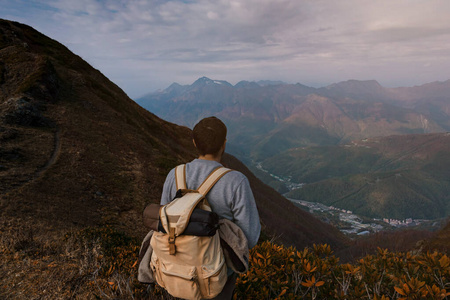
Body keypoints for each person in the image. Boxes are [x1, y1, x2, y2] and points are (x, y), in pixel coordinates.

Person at [160, 116, 261, 299]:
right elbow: (249, 238)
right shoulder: (235, 181)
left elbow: (164, 223)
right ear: (224, 144)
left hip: (175, 275)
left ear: (194, 143)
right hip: (216, 279)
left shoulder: (174, 175)